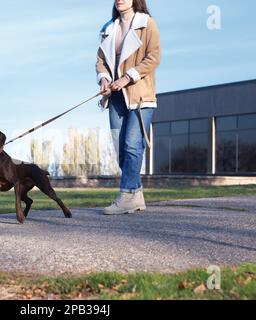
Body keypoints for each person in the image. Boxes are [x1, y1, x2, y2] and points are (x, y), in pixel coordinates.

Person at [96, 0, 161, 215]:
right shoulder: (108, 28)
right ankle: (137, 194)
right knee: (121, 149)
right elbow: (100, 61)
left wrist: (126, 77)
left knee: (133, 145)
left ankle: (126, 195)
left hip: (140, 95)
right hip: (115, 98)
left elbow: (153, 57)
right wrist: (105, 80)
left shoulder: (147, 23)